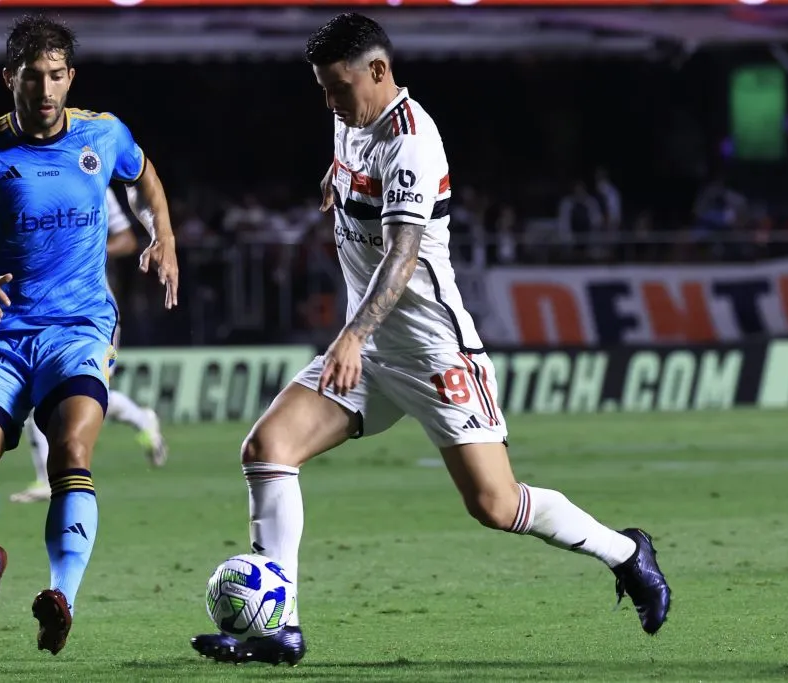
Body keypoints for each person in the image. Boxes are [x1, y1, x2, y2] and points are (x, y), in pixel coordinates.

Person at [191, 13, 670, 666]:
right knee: (268, 448)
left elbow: (403, 255)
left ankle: (626, 551)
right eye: (322, 89)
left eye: (337, 87)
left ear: (379, 73)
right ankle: (280, 628)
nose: (329, 101)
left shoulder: (413, 141)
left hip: (432, 350)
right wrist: (332, 185)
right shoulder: (349, 120)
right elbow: (346, 171)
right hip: (371, 353)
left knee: (495, 504)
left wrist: (353, 333)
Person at [0, 14, 178, 655]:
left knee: (72, 456)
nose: (45, 90)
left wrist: (162, 234)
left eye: (56, 76)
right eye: (32, 77)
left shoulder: (102, 134)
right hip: (0, 332)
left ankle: (62, 595)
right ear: (9, 78)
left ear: (70, 77)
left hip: (79, 326)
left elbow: (144, 178)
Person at [11, 188, 168, 504]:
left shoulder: (93, 180)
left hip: (92, 311)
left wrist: (86, 252)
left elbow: (126, 240)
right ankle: (46, 480)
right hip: (44, 308)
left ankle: (140, 419)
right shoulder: (25, 179)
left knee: (81, 394)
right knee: (38, 394)